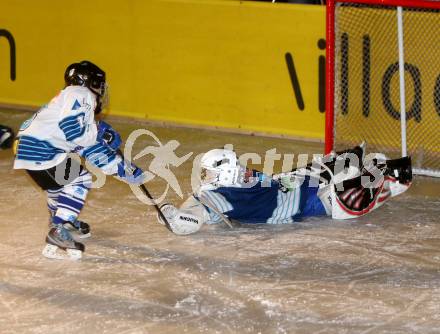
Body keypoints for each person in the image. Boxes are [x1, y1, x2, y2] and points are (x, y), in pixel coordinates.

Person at [13, 61, 144, 260]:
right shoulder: (81, 94)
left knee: (58, 186)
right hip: (42, 149)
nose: (101, 89)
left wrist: (120, 167)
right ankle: (59, 229)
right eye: (99, 83)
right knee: (79, 180)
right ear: (89, 82)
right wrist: (99, 134)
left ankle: (60, 221)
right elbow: (74, 132)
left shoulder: (68, 98)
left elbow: (85, 147)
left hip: (29, 147)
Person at [156, 145, 412, 235]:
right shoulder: (218, 195)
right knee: (365, 188)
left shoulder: (242, 176)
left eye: (210, 172)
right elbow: (196, 212)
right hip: (314, 202)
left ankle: (355, 163)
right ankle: (382, 173)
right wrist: (177, 216)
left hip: (297, 181)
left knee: (348, 158)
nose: (206, 178)